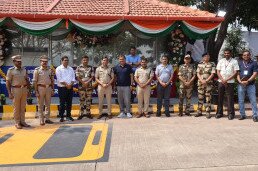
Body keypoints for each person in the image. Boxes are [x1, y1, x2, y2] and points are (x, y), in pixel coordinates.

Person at [6, 55, 31, 129]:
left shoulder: (24, 70)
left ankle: (22, 121)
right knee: (16, 107)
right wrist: (9, 93)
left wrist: (28, 90)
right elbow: (8, 82)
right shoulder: (10, 70)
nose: (20, 62)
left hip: (24, 89)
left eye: (20, 61)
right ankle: (17, 122)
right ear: (14, 62)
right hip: (15, 90)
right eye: (18, 61)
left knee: (23, 107)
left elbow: (27, 80)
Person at [216, 49, 239, 120]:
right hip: (221, 82)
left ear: (230, 54)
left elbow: (235, 72)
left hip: (230, 82)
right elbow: (218, 71)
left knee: (230, 98)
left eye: (228, 53)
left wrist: (226, 80)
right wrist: (223, 80)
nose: (226, 54)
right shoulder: (221, 60)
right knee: (220, 97)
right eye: (225, 53)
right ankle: (219, 113)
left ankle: (231, 114)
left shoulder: (234, 61)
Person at [33, 55, 54, 125]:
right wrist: (36, 91)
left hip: (48, 88)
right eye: (43, 61)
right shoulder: (37, 70)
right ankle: (41, 119)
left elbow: (52, 80)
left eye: (46, 61)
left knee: (48, 104)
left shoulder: (50, 70)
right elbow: (35, 82)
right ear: (40, 62)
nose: (45, 63)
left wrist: (53, 89)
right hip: (40, 88)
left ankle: (47, 119)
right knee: (40, 105)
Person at [237, 50, 258, 122]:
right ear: (242, 56)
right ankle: (242, 115)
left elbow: (255, 74)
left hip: (250, 84)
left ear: (250, 55)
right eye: (244, 55)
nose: (246, 56)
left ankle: (255, 115)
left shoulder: (254, 63)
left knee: (253, 100)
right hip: (241, 84)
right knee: (241, 100)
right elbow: (237, 74)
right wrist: (240, 81)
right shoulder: (239, 63)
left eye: (247, 55)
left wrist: (248, 81)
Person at [56, 56, 75, 122]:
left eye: (67, 60)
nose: (66, 61)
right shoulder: (58, 69)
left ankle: (68, 116)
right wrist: (67, 85)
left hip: (70, 87)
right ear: (62, 61)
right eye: (65, 60)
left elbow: (73, 78)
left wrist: (70, 84)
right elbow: (59, 79)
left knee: (69, 102)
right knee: (62, 103)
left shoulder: (71, 69)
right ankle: (61, 116)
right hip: (62, 88)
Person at [196, 53, 216, 119]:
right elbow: (198, 73)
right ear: (203, 57)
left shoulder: (212, 64)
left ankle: (208, 112)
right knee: (200, 97)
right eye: (205, 56)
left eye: (208, 56)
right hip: (200, 83)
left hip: (208, 83)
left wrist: (206, 81)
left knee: (208, 98)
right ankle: (199, 111)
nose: (207, 57)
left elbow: (212, 74)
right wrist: (202, 80)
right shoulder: (199, 64)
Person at [75, 55, 94, 120]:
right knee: (82, 100)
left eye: (86, 60)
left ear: (88, 60)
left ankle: (88, 113)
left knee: (88, 100)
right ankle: (81, 114)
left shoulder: (91, 67)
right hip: (81, 87)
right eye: (84, 60)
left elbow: (92, 77)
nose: (85, 61)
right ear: (82, 60)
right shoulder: (78, 67)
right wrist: (83, 83)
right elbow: (77, 77)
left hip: (89, 87)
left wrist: (87, 82)